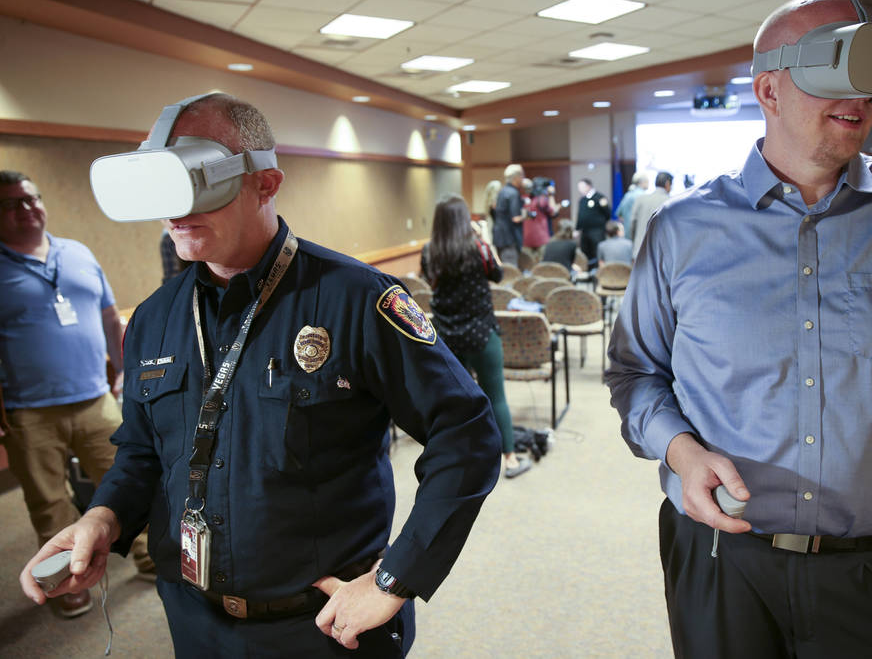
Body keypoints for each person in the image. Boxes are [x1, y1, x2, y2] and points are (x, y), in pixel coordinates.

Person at [19, 94, 502, 657]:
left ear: (266, 184)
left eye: (197, 184)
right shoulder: (154, 319)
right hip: (195, 621)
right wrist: (102, 518)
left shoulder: (356, 300)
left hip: (323, 627)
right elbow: (144, 453)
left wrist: (396, 577)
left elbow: (466, 433)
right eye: (164, 190)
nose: (176, 212)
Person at [606, 0, 872, 659]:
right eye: (838, 70)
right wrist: (679, 447)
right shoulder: (681, 230)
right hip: (717, 560)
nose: (864, 98)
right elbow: (635, 373)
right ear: (769, 88)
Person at [0, 170, 153, 619]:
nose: (26, 209)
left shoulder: (78, 253)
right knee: (50, 503)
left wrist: (125, 372)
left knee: (127, 481)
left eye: (31, 199)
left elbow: (110, 319)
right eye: (11, 204)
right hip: (28, 411)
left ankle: (149, 557)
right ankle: (65, 582)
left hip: (95, 398)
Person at [421, 196, 532, 479]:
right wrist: (485, 240)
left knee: (456, 400)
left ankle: (462, 457)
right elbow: (497, 274)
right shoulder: (478, 248)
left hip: (447, 337)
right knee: (496, 397)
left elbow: (427, 279)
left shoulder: (430, 250)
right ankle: (509, 458)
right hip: (483, 334)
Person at [629, 171, 672, 259]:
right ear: (667, 184)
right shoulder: (671, 201)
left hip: (639, 251)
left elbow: (632, 225)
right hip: (661, 254)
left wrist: (634, 244)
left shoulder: (640, 199)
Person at [492, 165, 526, 269]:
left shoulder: (502, 191)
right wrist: (526, 215)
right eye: (522, 176)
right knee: (511, 271)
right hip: (509, 238)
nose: (523, 179)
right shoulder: (513, 193)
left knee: (504, 268)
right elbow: (515, 218)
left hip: (499, 236)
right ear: (516, 178)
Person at [574, 178, 610, 267]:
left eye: (582, 187)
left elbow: (607, 214)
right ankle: (587, 272)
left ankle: (598, 272)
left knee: (597, 252)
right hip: (585, 231)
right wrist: (577, 229)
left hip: (597, 231)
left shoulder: (599, 197)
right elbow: (580, 216)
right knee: (585, 252)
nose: (580, 189)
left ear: (588, 186)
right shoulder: (582, 200)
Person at [523, 177, 557, 253]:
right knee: (543, 263)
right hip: (541, 238)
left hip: (527, 239)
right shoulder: (542, 200)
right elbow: (553, 212)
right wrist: (551, 194)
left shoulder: (525, 199)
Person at [616, 172, 648, 240]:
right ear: (642, 182)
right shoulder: (644, 196)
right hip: (639, 234)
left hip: (627, 233)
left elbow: (619, 214)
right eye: (647, 181)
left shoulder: (627, 195)